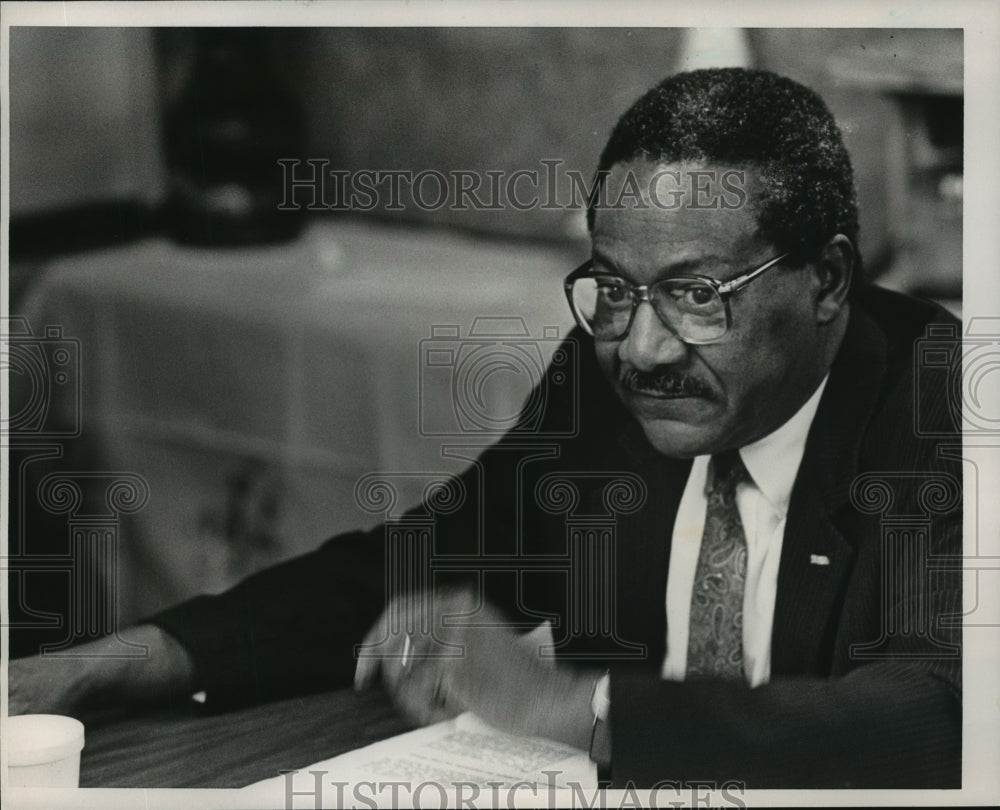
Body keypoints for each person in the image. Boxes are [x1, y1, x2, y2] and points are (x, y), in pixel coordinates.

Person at [9, 68, 961, 788]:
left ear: (828, 281)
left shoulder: (938, 409)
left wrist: (574, 708)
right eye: (615, 289)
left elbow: (942, 711)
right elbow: (417, 563)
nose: (643, 347)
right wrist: (123, 658)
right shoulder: (612, 385)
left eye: (698, 295)